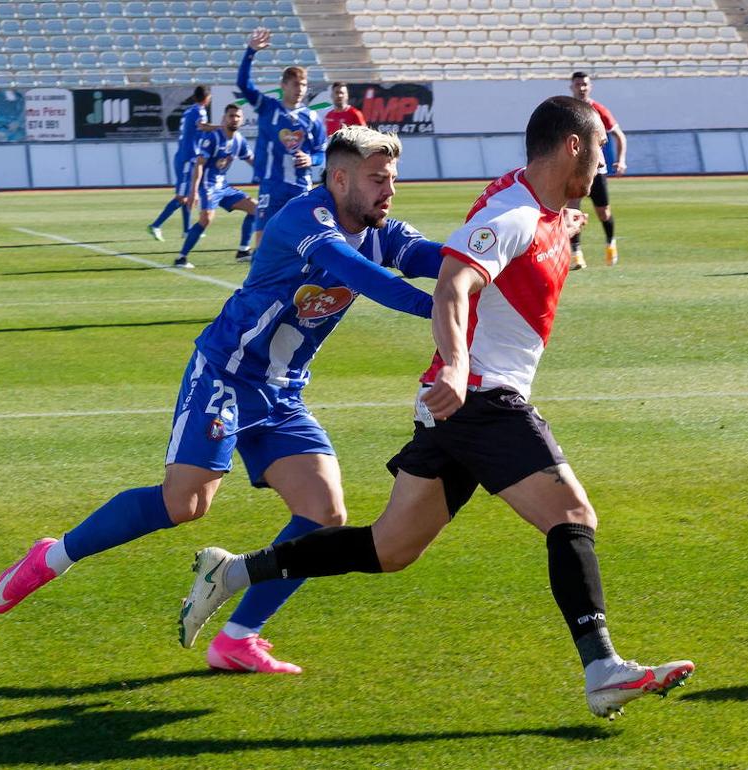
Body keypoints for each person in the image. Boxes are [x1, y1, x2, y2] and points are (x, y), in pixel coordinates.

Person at [178, 97, 694, 720]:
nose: (605, 170)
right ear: (573, 148)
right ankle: (602, 667)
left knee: (390, 548)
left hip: (456, 406)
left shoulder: (548, 211)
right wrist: (453, 361)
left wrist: (564, 228)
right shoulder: (513, 213)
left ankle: (233, 574)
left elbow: (469, 254)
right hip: (480, 394)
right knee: (571, 512)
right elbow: (452, 282)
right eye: (600, 154)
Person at [0, 126, 447, 675]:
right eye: (378, 180)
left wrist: (500, 262)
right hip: (225, 377)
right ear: (340, 177)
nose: (389, 192)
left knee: (323, 514)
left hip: (282, 392)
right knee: (185, 505)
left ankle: (237, 638)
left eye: (392, 180)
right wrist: (443, 312)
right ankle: (54, 555)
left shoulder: (378, 228)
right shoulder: (307, 219)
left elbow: (429, 256)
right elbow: (363, 278)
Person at [238, 27, 327, 250]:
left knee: (304, 242)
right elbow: (243, 84)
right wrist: (251, 52)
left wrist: (311, 160)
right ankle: (258, 284)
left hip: (301, 186)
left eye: (304, 85)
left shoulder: (312, 117)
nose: (300, 89)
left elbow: (321, 152)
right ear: (283, 85)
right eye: (296, 84)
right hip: (272, 186)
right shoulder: (268, 108)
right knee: (262, 241)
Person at [175, 104, 257, 269]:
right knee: (206, 219)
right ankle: (181, 258)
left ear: (242, 120)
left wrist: (269, 174)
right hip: (207, 185)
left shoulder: (239, 140)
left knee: (256, 208)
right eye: (231, 116)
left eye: (238, 117)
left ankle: (243, 251)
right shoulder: (212, 138)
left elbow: (253, 161)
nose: (234, 119)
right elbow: (199, 165)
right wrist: (193, 191)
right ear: (224, 118)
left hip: (223, 186)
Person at [567, 71, 627, 269]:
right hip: (575, 168)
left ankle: (611, 244)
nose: (581, 88)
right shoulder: (566, 110)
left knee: (603, 212)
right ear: (572, 87)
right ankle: (576, 255)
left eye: (584, 84)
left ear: (590, 86)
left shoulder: (598, 110)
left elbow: (619, 135)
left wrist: (621, 160)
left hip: (596, 170)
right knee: (572, 210)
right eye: (578, 84)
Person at [149, 85, 215, 242]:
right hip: (188, 157)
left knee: (187, 195)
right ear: (206, 98)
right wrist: (222, 128)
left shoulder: (189, 110)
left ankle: (186, 230)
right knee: (182, 197)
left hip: (183, 155)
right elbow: (202, 127)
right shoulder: (200, 110)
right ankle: (156, 225)